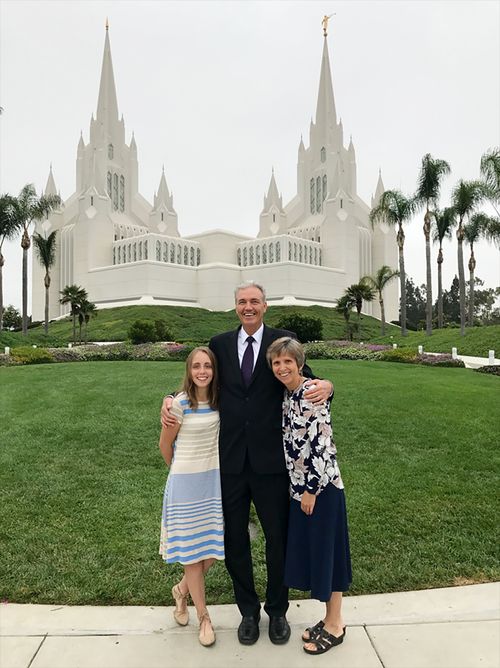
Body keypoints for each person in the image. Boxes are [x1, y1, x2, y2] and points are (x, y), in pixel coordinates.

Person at [162, 281, 332, 646]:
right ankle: (249, 612)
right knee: (235, 539)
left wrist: (329, 385)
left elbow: (306, 378)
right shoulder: (221, 343)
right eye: (242, 302)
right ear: (235, 307)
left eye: (255, 301)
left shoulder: (282, 339)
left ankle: (278, 610)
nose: (248, 307)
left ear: (265, 306)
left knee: (277, 539)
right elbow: (200, 378)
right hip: (231, 462)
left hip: (272, 462)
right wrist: (170, 399)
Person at [266, 336, 351, 656]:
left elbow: (321, 445)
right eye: (276, 362)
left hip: (320, 489)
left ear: (300, 364)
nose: (282, 367)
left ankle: (336, 624)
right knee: (320, 552)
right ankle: (329, 617)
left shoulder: (311, 394)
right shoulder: (289, 395)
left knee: (329, 553)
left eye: (288, 361)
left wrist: (310, 491)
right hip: (300, 489)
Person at [158, 346, 224, 647]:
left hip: (212, 485)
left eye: (207, 366)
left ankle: (181, 591)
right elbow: (165, 446)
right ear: (189, 370)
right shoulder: (178, 404)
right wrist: (180, 471)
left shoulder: (221, 402)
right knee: (192, 555)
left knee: (212, 549)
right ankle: (204, 617)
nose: (202, 371)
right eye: (196, 366)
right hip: (184, 487)